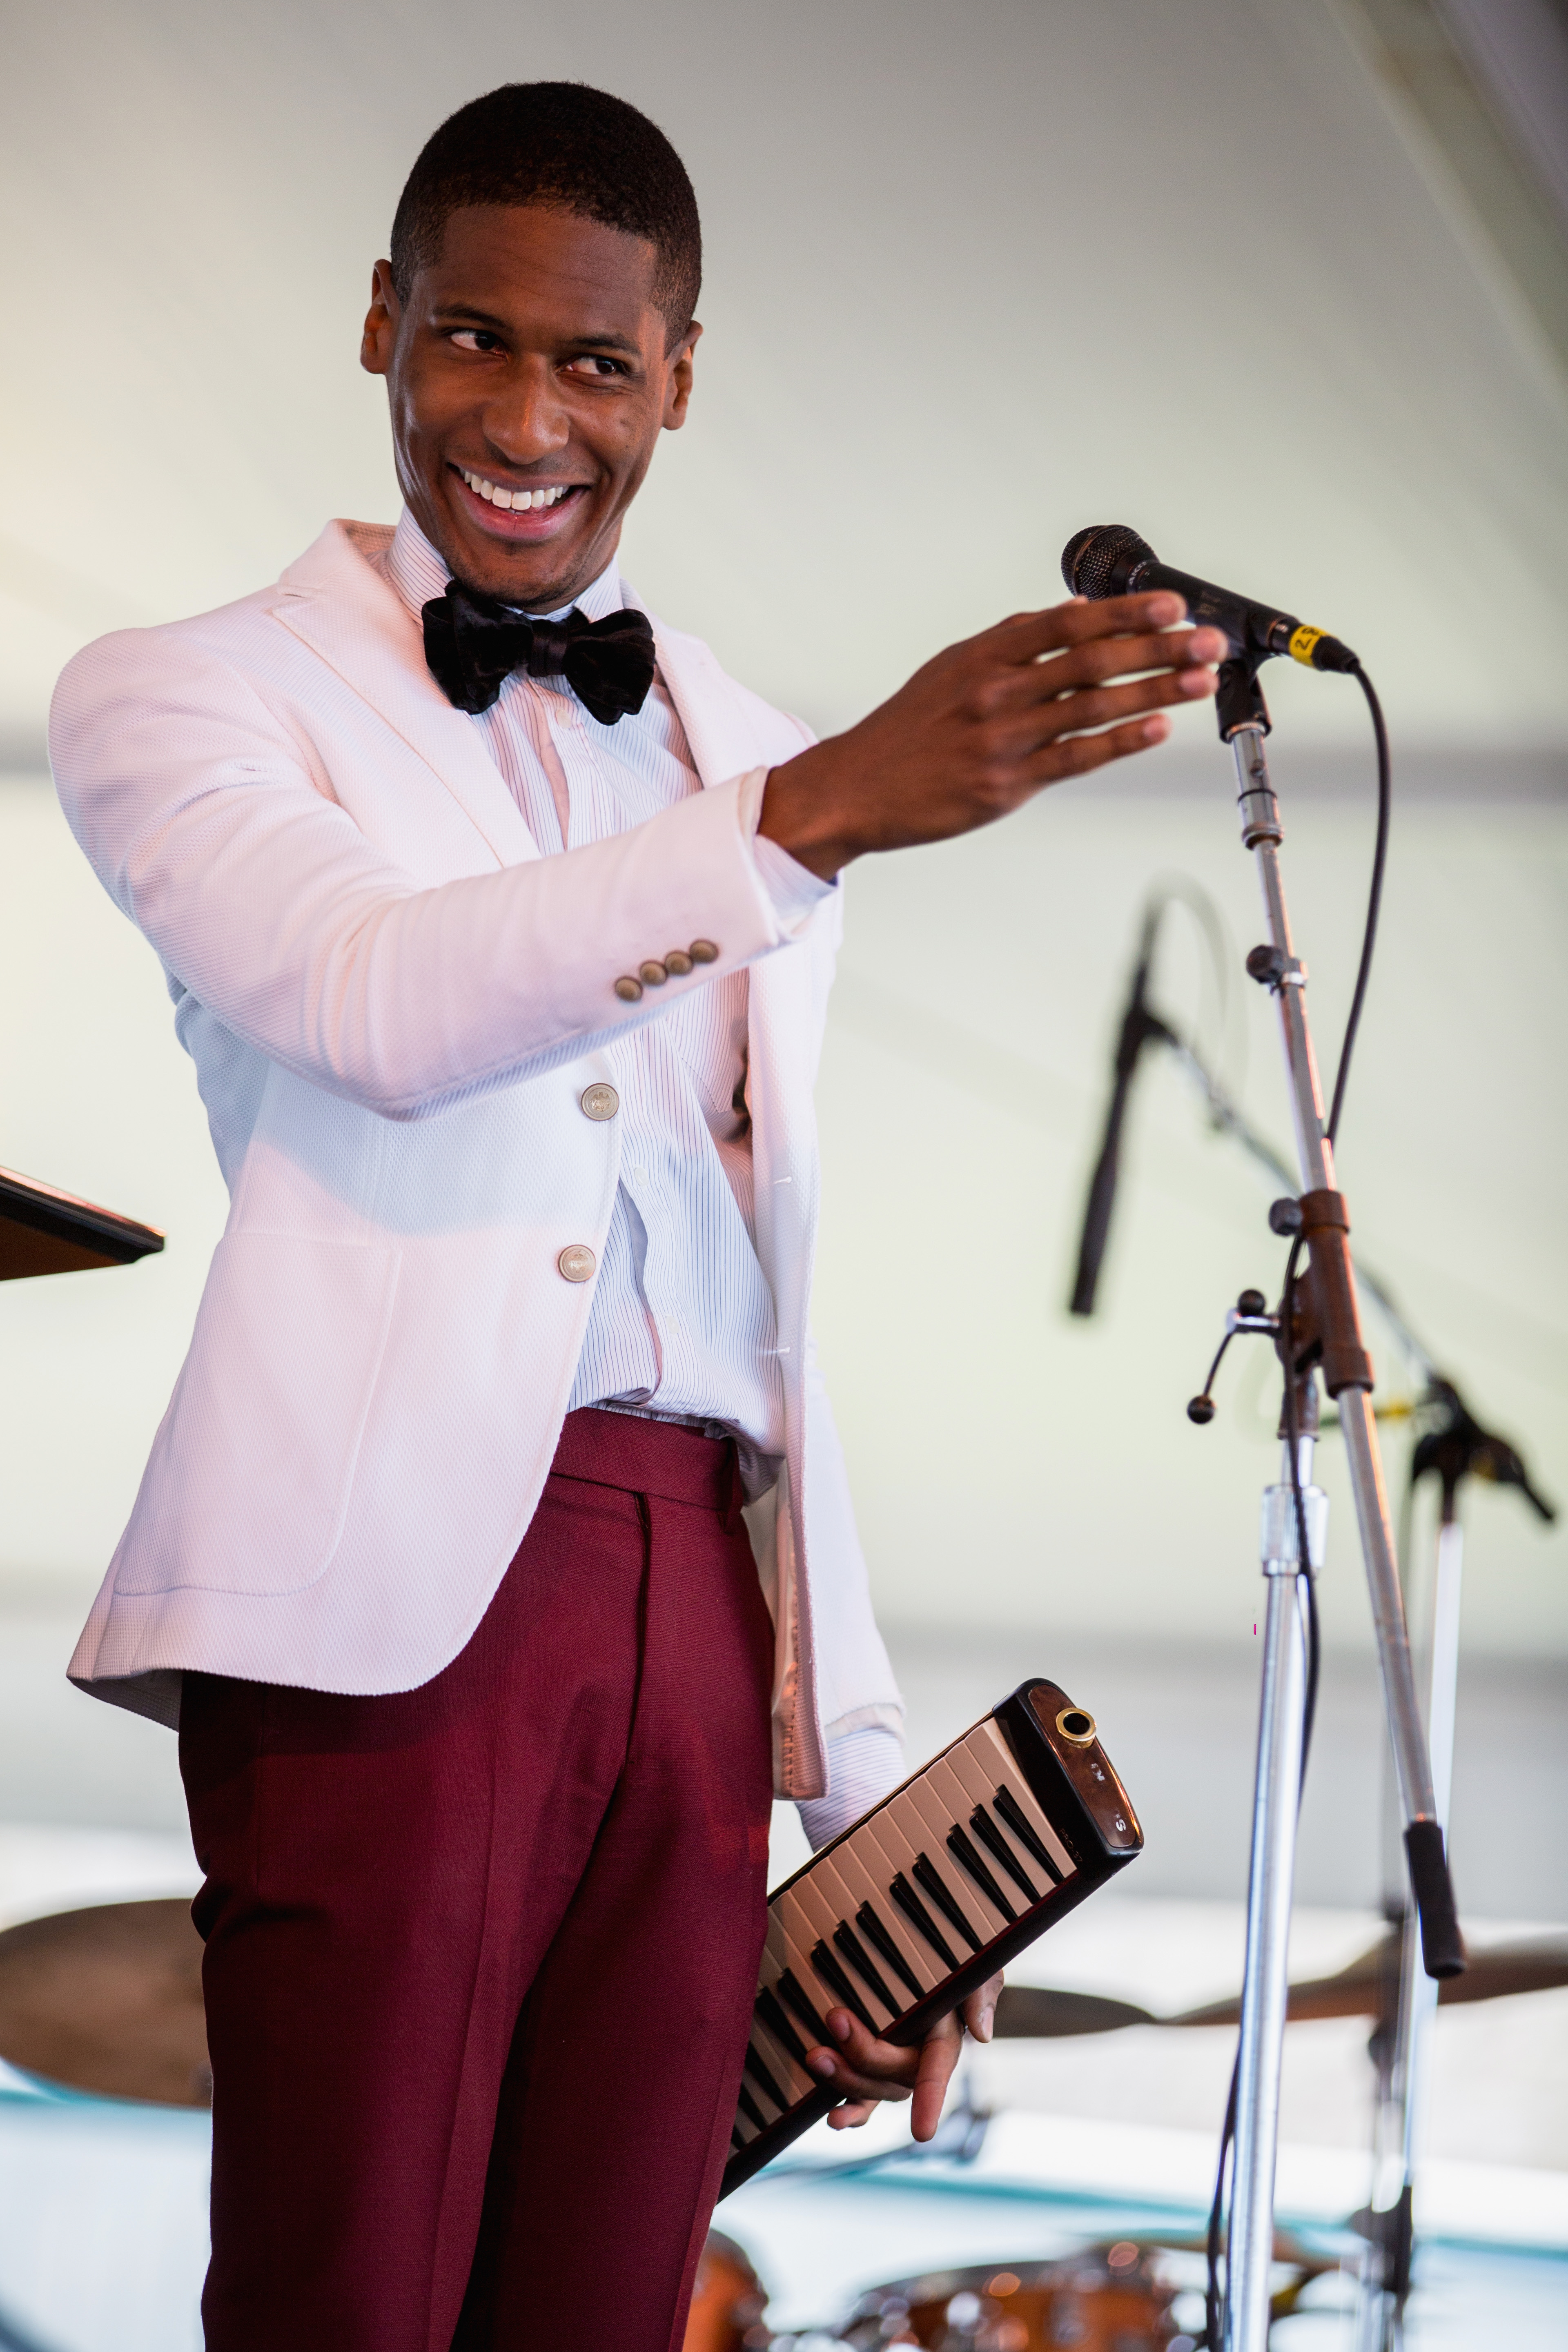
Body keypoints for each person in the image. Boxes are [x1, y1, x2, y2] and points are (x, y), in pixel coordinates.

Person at [50, 81, 1222, 2352]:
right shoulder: (186, 691)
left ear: (679, 375)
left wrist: (884, 1822)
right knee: (350, 2308)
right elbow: (371, 1000)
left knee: (611, 2310)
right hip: (391, 1610)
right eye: (468, 340)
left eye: (593, 364)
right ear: (380, 327)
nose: (521, 416)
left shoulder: (750, 747)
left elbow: (777, 1314)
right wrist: (818, 815)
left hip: (707, 1600)